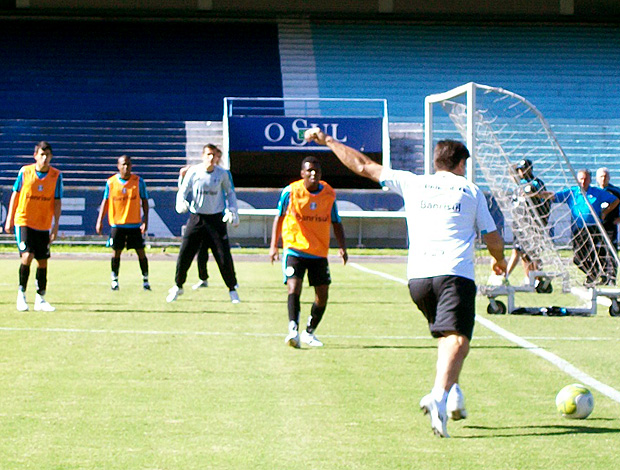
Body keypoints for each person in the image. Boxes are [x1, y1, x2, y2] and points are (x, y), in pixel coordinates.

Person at [305, 129, 506, 438]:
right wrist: (499, 260)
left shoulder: (413, 182)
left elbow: (362, 166)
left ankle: (453, 393)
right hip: (454, 274)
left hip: (419, 280)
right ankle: (438, 396)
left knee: (446, 337)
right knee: (458, 340)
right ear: (461, 164)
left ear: (436, 160)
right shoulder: (470, 190)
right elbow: (492, 237)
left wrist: (328, 142)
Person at [269, 156, 348, 348]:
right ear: (302, 173)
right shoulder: (291, 192)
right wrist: (274, 245)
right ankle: (293, 330)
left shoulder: (328, 194)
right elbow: (279, 217)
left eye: (317, 171)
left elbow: (336, 221)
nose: (313, 174)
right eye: (309, 170)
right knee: (294, 287)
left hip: (318, 252)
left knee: (322, 295)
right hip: (294, 248)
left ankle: (309, 332)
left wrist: (342, 247)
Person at [167, 143, 241, 303]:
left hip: (215, 219)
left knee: (223, 256)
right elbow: (183, 190)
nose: (211, 158)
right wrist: (180, 202)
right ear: (202, 156)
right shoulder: (194, 172)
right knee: (185, 253)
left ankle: (232, 289)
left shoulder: (222, 174)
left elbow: (230, 192)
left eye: (214, 155)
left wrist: (232, 209)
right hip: (197, 218)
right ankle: (178, 286)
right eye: (208, 154)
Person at [4, 141, 63, 312]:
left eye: (47, 155)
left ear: (51, 157)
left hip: (43, 224)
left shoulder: (56, 176)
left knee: (43, 261)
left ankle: (40, 299)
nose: (44, 158)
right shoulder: (25, 172)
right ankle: (21, 295)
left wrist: (55, 225)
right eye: (41, 155)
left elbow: (57, 201)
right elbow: (16, 194)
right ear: (35, 156)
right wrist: (10, 217)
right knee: (27, 256)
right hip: (24, 221)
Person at [550, 169, 619, 286]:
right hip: (579, 229)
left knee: (602, 252)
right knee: (578, 258)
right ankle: (593, 274)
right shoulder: (573, 192)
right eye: (581, 179)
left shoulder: (598, 192)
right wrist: (540, 195)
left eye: (586, 179)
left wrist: (605, 212)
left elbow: (616, 201)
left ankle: (606, 277)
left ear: (590, 180)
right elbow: (554, 197)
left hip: (594, 228)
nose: (583, 181)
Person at [95, 155, 151, 291]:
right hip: (117, 224)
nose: (126, 167)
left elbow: (144, 201)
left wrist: (145, 221)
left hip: (134, 224)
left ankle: (145, 280)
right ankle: (114, 280)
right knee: (116, 253)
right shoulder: (111, 182)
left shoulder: (138, 182)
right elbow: (105, 202)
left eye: (128, 165)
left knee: (141, 252)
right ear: (118, 166)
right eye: (123, 164)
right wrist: (99, 221)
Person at [506, 159, 551, 285]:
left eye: (523, 169)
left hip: (531, 224)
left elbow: (537, 194)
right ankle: (529, 277)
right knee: (521, 252)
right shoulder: (519, 184)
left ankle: (537, 277)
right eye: (519, 170)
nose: (521, 172)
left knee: (532, 252)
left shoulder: (535, 183)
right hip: (520, 222)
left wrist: (532, 194)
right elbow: (511, 172)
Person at [179, 164, 210, 290]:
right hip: (198, 218)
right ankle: (202, 278)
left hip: (212, 218)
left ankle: (232, 283)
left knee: (218, 250)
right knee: (198, 250)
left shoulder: (215, 178)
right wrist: (181, 177)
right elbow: (182, 189)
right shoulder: (195, 179)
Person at [595, 167, 620, 284]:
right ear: (597, 178)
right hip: (596, 225)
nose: (603, 179)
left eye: (605, 176)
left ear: (609, 178)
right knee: (599, 250)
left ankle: (612, 277)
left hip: (610, 225)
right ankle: (603, 276)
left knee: (611, 250)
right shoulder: (593, 191)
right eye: (601, 176)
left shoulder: (615, 191)